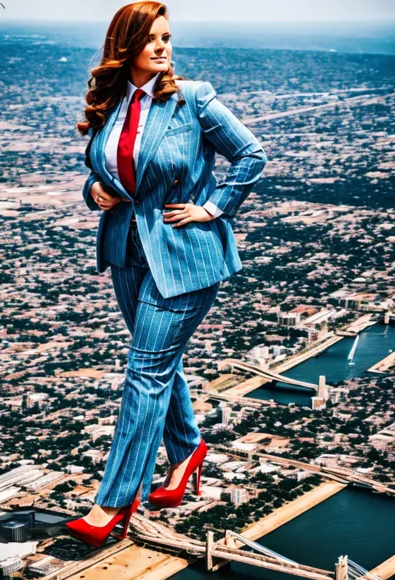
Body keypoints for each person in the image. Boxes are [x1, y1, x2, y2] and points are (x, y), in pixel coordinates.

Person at [66, 1, 267, 548]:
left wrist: (214, 207)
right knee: (157, 362)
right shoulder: (111, 104)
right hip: (127, 253)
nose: (162, 47)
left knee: (145, 371)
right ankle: (187, 451)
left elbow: (251, 155)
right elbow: (97, 172)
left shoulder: (193, 98)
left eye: (167, 37)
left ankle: (113, 501)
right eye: (150, 38)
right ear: (124, 45)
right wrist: (94, 193)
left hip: (186, 255)